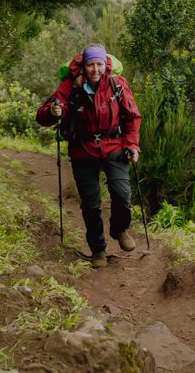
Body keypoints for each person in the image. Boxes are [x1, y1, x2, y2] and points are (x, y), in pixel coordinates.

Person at [36, 44, 143, 267]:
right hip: (83, 148)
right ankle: (98, 250)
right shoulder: (70, 86)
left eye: (99, 65)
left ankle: (120, 230)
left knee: (122, 194)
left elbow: (132, 117)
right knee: (91, 203)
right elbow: (44, 115)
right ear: (83, 66)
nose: (95, 69)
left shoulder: (117, 84)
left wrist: (132, 145)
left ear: (106, 65)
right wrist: (53, 111)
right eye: (90, 65)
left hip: (114, 144)